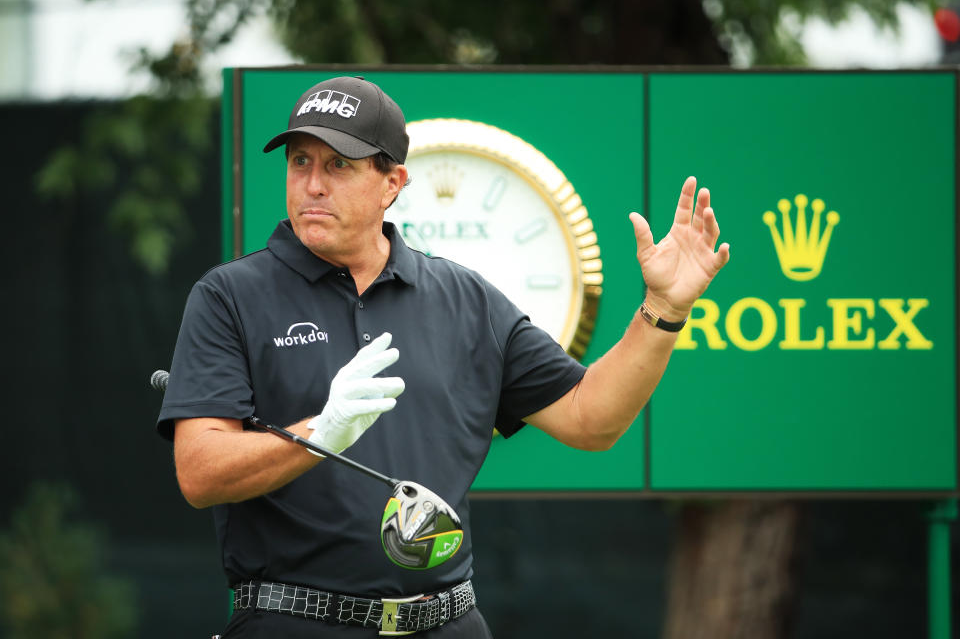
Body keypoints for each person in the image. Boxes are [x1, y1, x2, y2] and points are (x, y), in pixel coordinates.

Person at [157, 75, 729, 638]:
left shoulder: (465, 299)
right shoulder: (230, 295)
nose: (312, 184)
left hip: (448, 623)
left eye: (339, 165)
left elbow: (590, 418)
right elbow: (199, 471)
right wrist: (321, 432)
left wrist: (663, 309)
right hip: (292, 622)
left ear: (393, 183)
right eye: (300, 162)